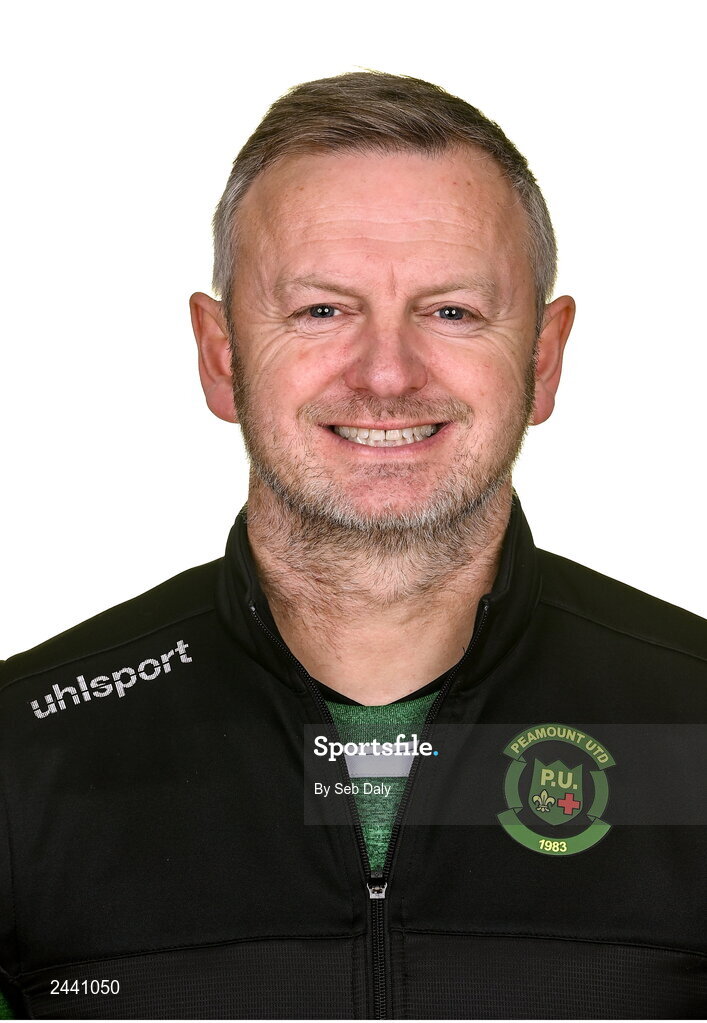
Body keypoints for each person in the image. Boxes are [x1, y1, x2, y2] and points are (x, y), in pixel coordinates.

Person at [0, 71, 705, 1020]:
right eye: (321, 310)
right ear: (221, 355)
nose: (386, 372)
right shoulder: (28, 746)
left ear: (542, 358)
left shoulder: (691, 723)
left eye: (450, 310)